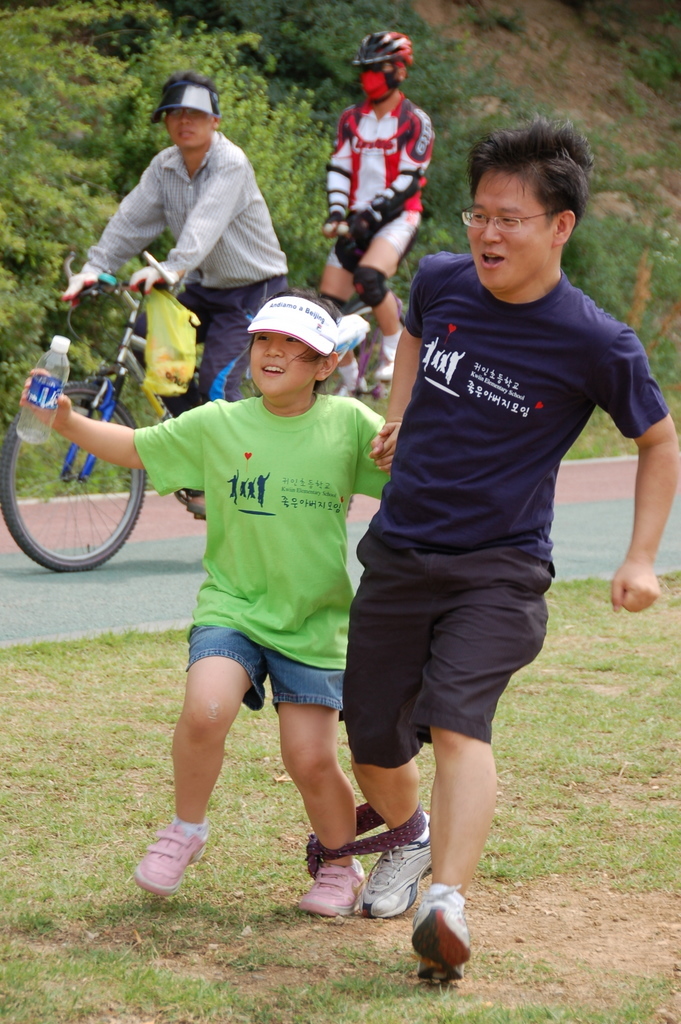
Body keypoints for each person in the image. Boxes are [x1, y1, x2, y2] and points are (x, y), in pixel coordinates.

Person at [341, 118, 680, 980]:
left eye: (509, 219)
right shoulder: (441, 279)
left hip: (499, 567)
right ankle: (411, 838)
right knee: (372, 737)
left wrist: (640, 557)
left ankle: (446, 903)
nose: (486, 234)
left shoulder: (595, 341)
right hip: (399, 547)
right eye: (478, 215)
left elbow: (658, 441)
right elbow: (412, 331)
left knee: (458, 719)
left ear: (560, 225)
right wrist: (399, 411)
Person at [24, 291, 387, 917]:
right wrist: (64, 421)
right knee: (206, 708)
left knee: (309, 759)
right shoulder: (218, 423)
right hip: (233, 606)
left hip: (314, 620)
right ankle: (186, 829)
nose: (273, 353)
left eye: (293, 346)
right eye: (264, 340)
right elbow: (136, 447)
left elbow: (413, 474)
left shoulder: (350, 423)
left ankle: (339, 862)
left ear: (327, 364)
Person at [63, 70, 288, 413]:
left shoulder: (231, 163)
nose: (184, 121)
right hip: (204, 289)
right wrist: (93, 268)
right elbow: (130, 222)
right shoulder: (164, 166)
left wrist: (170, 268)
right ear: (165, 121)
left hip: (254, 291)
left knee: (217, 383)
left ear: (214, 120)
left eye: (195, 113)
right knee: (143, 340)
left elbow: (205, 224)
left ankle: (241, 442)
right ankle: (192, 423)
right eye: (175, 113)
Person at [320, 31, 434, 394]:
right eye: (365, 70)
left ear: (399, 71)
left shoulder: (415, 121)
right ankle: (351, 382)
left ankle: (395, 354)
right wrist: (337, 211)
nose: (370, 77)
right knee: (325, 308)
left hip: (398, 215)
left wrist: (372, 213)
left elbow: (410, 178)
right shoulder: (351, 119)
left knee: (368, 278)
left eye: (378, 69)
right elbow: (339, 167)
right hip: (356, 219)